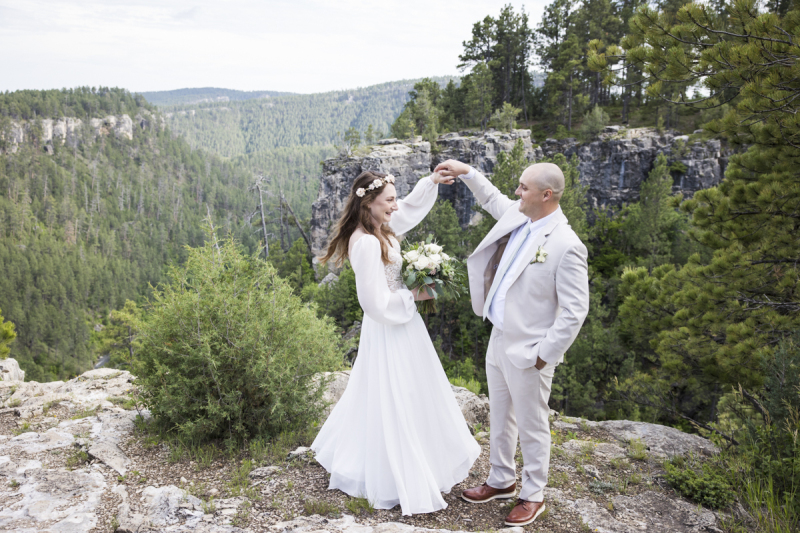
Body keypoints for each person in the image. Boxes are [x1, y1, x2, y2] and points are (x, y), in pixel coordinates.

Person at [311, 170, 481, 516]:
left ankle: (423, 459)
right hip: (388, 326)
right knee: (396, 393)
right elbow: (373, 304)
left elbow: (410, 209)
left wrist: (431, 182)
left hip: (404, 326)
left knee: (414, 391)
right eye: (388, 199)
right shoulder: (367, 243)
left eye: (393, 198)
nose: (394, 204)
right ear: (368, 203)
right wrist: (413, 296)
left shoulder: (381, 228)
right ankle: (395, 473)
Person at [434, 159, 590, 527]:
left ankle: (533, 495)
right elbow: (491, 198)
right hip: (499, 337)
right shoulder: (521, 216)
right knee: (500, 416)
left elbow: (574, 311)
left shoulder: (567, 245)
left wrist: (543, 356)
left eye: (523, 187)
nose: (517, 192)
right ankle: (501, 479)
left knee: (533, 424)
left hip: (530, 350)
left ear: (546, 195)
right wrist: (467, 172)